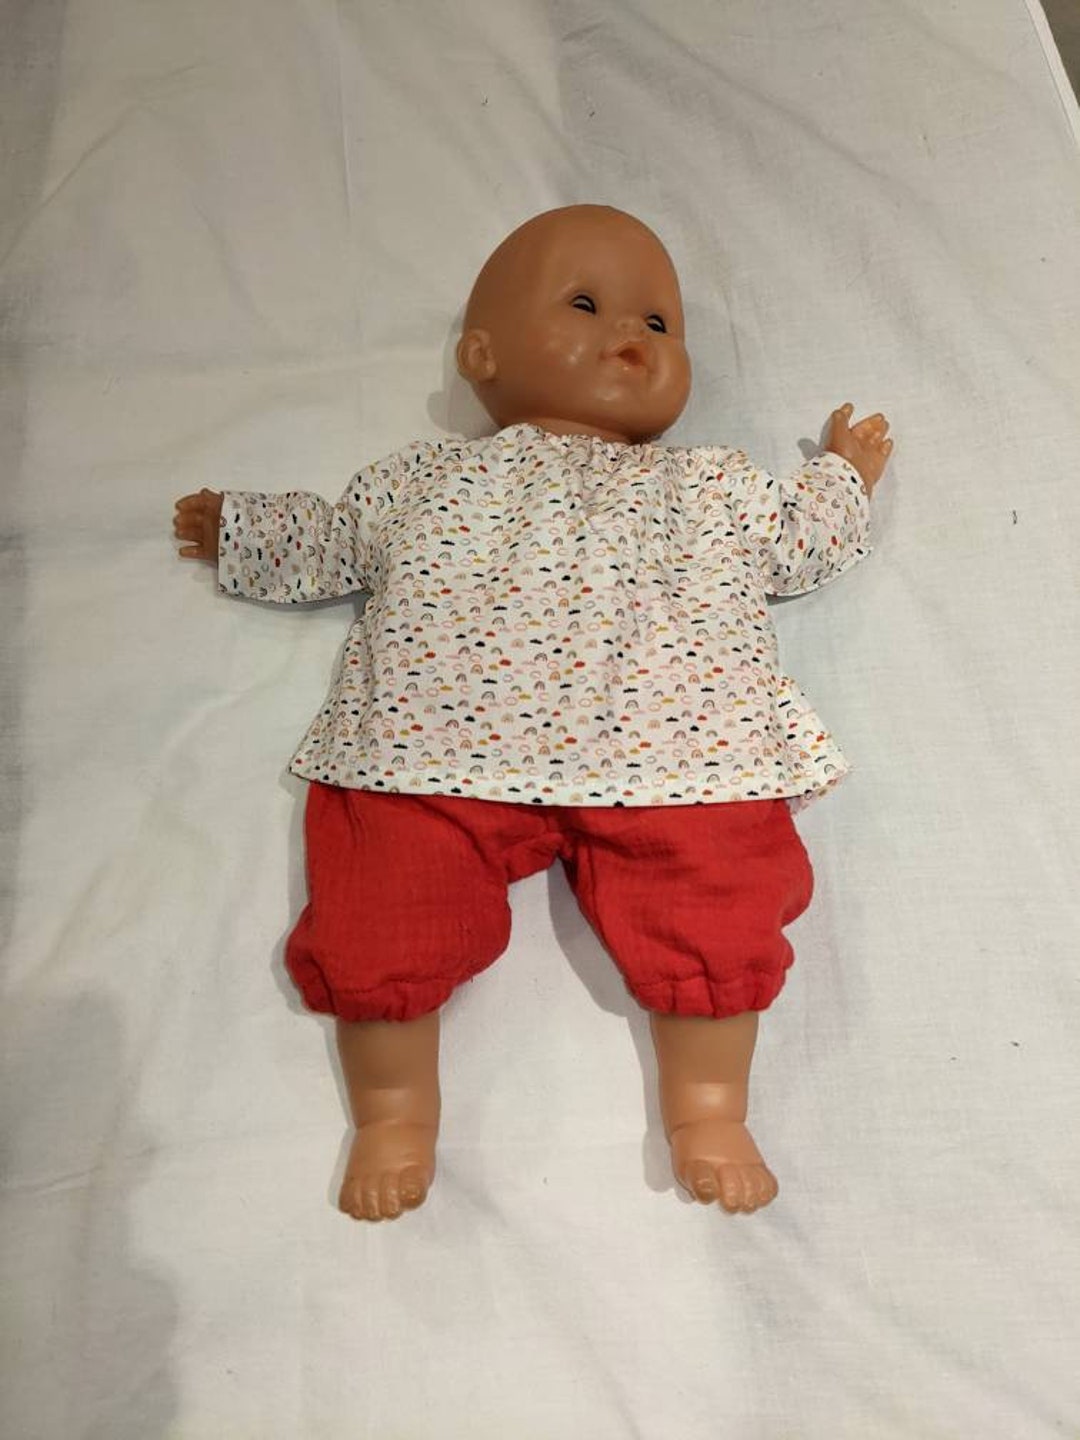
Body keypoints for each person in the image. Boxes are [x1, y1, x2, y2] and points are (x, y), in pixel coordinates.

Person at [174, 204, 892, 1222]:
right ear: (482, 355)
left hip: (673, 750)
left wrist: (843, 479)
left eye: (659, 323)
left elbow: (795, 541)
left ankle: (710, 1108)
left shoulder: (711, 483)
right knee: (384, 908)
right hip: (436, 750)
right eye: (586, 305)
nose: (630, 334)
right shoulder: (425, 479)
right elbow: (334, 542)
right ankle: (393, 1112)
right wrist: (244, 530)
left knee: (719, 904)